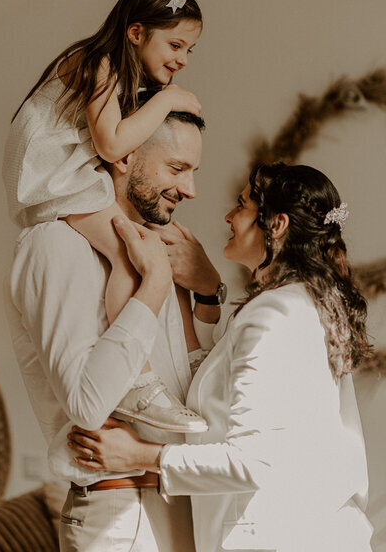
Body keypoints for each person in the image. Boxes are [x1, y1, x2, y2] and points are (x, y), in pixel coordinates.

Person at [68, 162, 374, 552]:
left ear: (276, 225)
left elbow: (253, 460)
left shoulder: (277, 316)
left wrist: (138, 455)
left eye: (242, 205)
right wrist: (210, 290)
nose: (228, 216)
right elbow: (225, 377)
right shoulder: (299, 305)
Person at [5, 107, 224, 551]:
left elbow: (195, 393)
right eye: (177, 168)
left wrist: (208, 287)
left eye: (194, 171)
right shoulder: (55, 246)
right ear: (124, 156)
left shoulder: (157, 249)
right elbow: (87, 403)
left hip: (184, 504)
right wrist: (156, 286)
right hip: (118, 517)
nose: (190, 189)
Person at [3, 0, 205, 431]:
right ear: (136, 32)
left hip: (63, 179)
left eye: (189, 50)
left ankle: (140, 381)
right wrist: (169, 99)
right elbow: (113, 144)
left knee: (130, 252)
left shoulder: (113, 70)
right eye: (175, 45)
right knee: (128, 258)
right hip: (53, 181)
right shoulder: (99, 62)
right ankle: (138, 382)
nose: (182, 59)